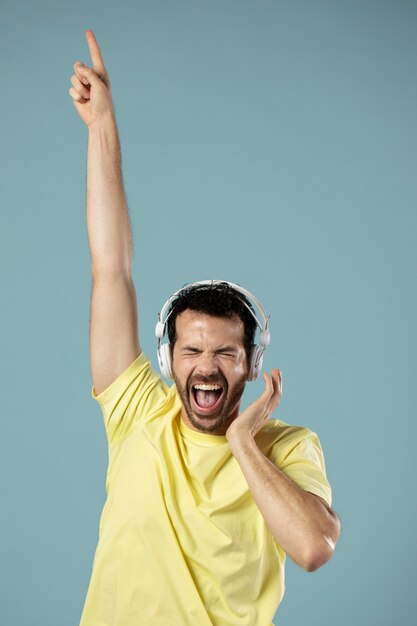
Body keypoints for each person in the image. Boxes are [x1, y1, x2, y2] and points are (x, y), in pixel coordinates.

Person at [69, 30, 341, 626]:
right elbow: (110, 267)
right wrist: (101, 128)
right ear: (169, 358)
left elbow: (314, 547)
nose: (207, 365)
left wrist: (243, 441)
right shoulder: (136, 411)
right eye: (192, 349)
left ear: (250, 361)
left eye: (225, 352)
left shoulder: (288, 447)